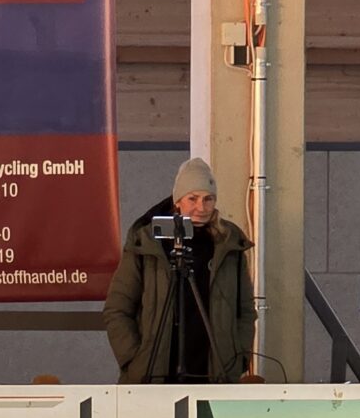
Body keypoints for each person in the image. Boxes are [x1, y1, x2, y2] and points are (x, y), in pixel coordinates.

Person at [103, 159, 257, 385]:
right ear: (178, 201)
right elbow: (117, 309)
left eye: (208, 199)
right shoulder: (147, 243)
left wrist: (238, 359)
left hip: (215, 373)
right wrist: (134, 360)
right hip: (153, 374)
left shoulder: (229, 244)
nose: (201, 208)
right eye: (192, 198)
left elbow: (245, 311)